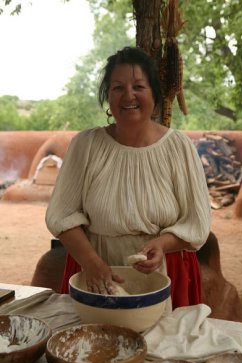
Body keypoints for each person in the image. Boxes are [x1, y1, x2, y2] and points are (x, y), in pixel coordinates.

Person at [45, 46, 211, 310]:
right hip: (96, 271)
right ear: (108, 97)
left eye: (139, 87)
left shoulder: (178, 147)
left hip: (164, 273)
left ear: (154, 94)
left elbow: (197, 224)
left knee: (160, 347)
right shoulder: (86, 145)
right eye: (118, 87)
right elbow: (61, 216)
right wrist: (93, 265)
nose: (128, 95)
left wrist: (161, 244)